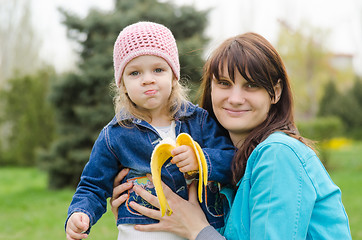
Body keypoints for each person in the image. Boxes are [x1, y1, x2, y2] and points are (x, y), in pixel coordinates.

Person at [110, 32, 352, 239]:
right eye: (224, 83)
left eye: (251, 85)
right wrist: (138, 211)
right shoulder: (225, 163)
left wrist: (197, 228)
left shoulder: (278, 154)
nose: (235, 99)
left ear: (275, 92)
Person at [65, 21, 235, 240]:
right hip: (140, 233)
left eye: (158, 69)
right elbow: (92, 184)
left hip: (195, 230)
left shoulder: (199, 121)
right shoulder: (115, 134)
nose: (148, 80)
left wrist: (201, 159)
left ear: (174, 77)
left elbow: (232, 160)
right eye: (135, 73)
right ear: (122, 85)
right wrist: (80, 213)